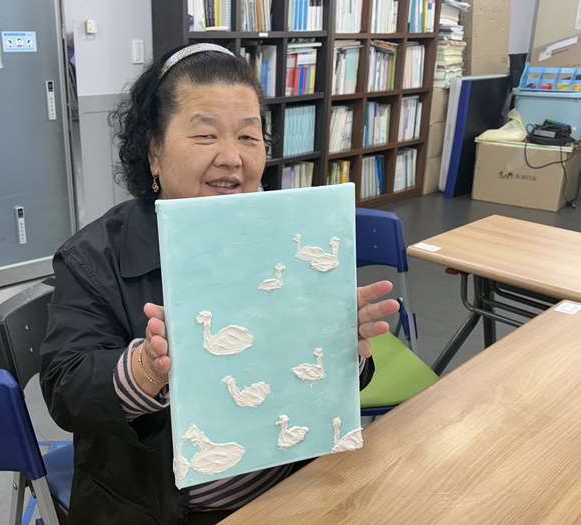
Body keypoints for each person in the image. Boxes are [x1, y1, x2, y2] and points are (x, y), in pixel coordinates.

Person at [40, 43, 400, 525]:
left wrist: (342, 349)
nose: (231, 157)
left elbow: (310, 386)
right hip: (167, 510)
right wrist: (147, 369)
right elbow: (66, 390)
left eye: (248, 137)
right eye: (205, 135)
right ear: (154, 151)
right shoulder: (94, 257)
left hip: (296, 489)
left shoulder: (287, 236)